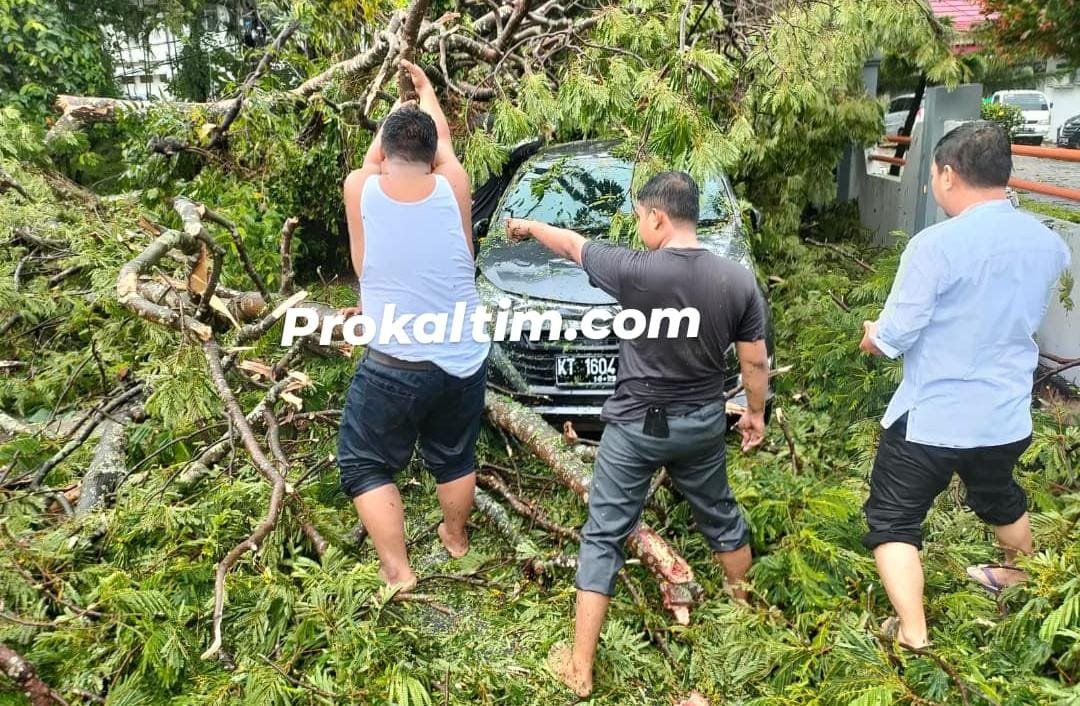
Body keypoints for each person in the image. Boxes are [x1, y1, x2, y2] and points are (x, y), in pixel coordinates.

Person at [505, 171, 771, 697]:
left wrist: (530, 225)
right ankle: (746, 615)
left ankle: (579, 668)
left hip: (634, 429)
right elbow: (755, 360)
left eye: (638, 217)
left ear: (657, 217)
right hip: (700, 425)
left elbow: (574, 246)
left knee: (604, 535)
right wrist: (755, 413)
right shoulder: (736, 279)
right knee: (719, 514)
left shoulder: (635, 271)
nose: (636, 226)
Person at [859, 121, 1070, 649]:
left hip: (934, 416)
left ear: (948, 175)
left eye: (932, 174)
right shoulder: (1047, 245)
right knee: (999, 494)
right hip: (1004, 415)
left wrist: (871, 335)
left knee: (892, 518)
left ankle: (913, 633)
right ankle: (1022, 577)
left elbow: (893, 338)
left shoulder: (935, 246)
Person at [336, 61, 489, 593]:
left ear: (383, 147)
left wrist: (395, 114)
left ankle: (398, 571)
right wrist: (426, 92)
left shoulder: (361, 187)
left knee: (362, 460)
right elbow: (442, 141)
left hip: (398, 361)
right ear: (431, 155)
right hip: (465, 354)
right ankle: (455, 539)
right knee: (454, 453)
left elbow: (374, 159)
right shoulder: (454, 186)